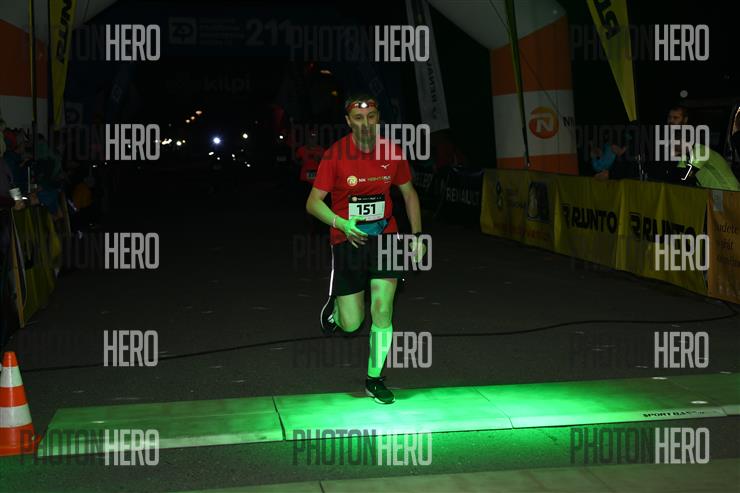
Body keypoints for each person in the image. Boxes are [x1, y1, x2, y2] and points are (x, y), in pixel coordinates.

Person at [305, 93, 425, 405]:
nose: (365, 124)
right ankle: (336, 310)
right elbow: (313, 203)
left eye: (371, 117)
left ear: (378, 119)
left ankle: (374, 379)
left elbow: (409, 194)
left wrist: (417, 236)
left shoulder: (392, 152)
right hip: (348, 239)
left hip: (386, 237)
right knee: (352, 324)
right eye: (358, 119)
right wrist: (342, 224)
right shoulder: (335, 155)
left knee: (383, 309)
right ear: (348, 121)